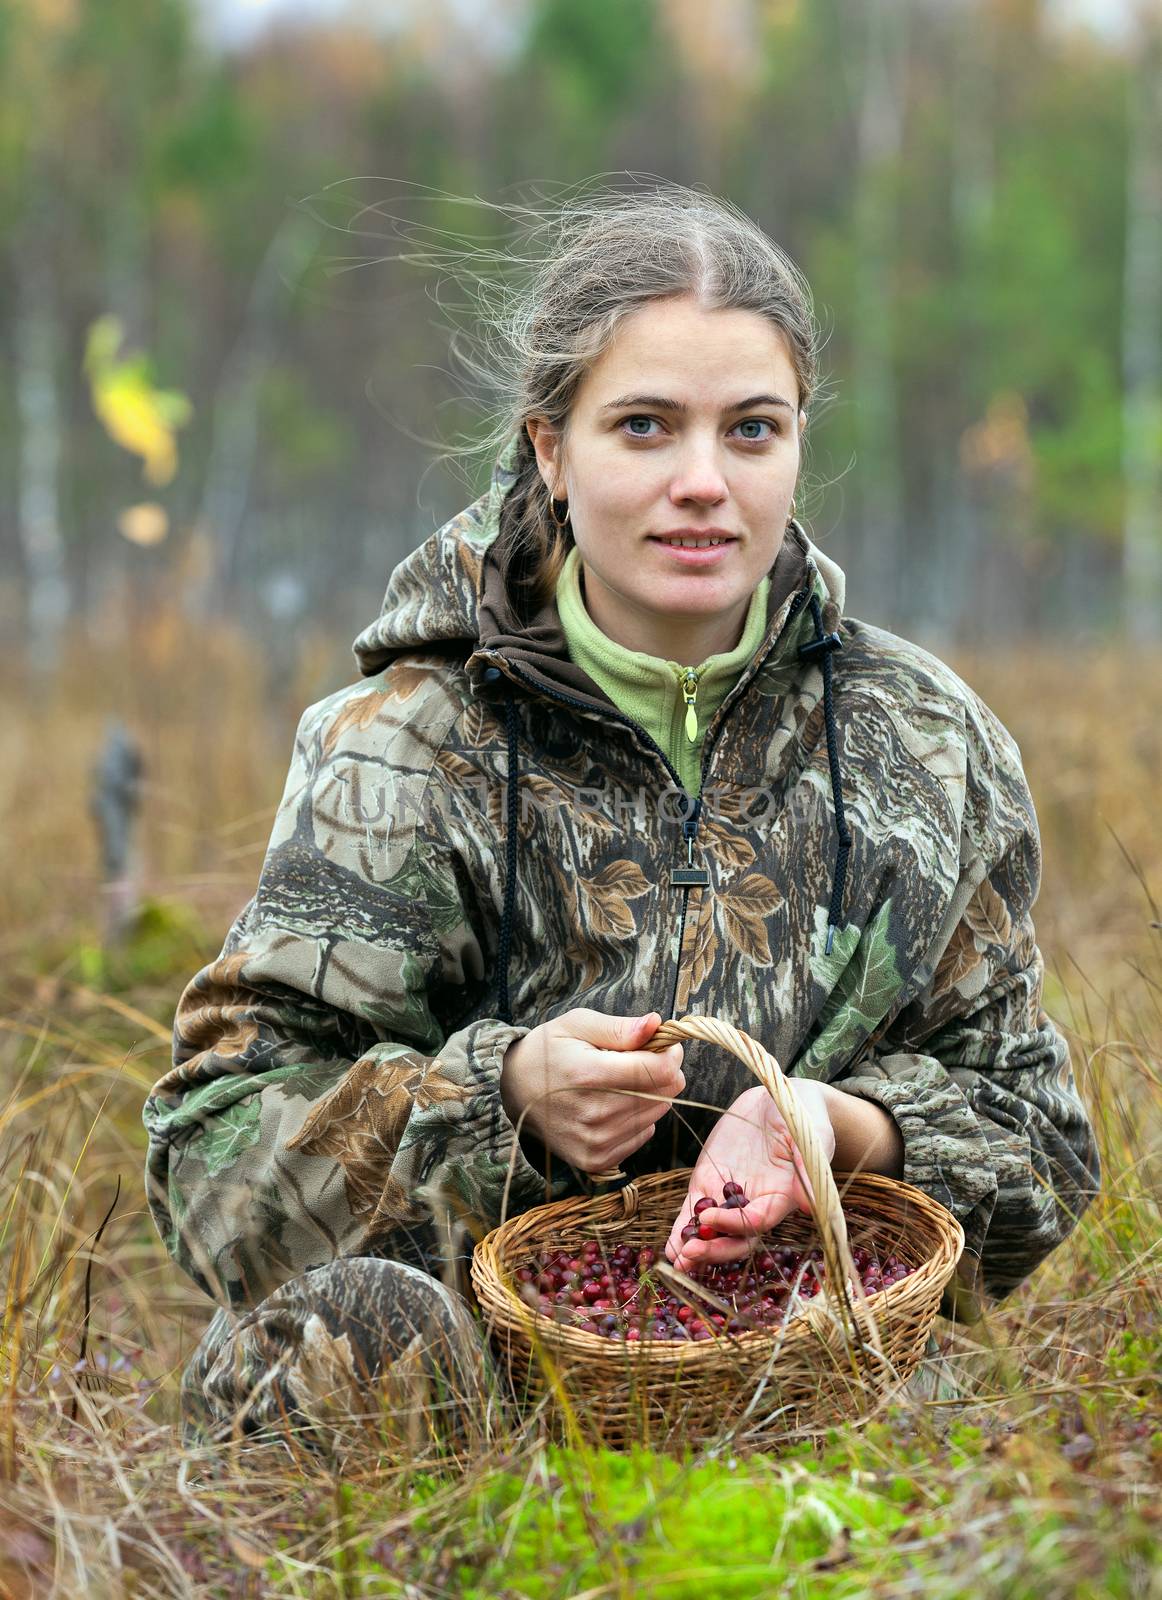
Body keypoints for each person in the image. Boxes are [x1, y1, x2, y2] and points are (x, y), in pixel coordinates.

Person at [143, 184, 1101, 1455]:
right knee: (354, 1339)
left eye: (751, 430)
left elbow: (1041, 1151)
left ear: (799, 442)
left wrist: (835, 1130)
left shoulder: (924, 743)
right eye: (643, 426)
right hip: (470, 1432)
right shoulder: (406, 747)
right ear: (549, 446)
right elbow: (215, 1177)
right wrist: (505, 1099)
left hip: (817, 1401)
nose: (701, 483)